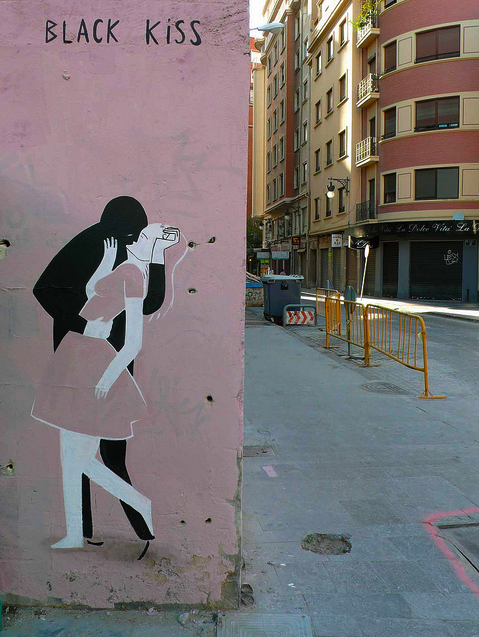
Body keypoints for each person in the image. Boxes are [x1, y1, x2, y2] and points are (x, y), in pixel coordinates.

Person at [32, 223, 180, 555]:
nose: (137, 238)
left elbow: (134, 341)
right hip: (77, 353)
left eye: (148, 236)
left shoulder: (135, 277)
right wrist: (105, 263)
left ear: (150, 245)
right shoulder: (126, 267)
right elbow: (91, 296)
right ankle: (76, 532)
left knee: (77, 456)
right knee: (72, 456)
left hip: (92, 362)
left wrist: (106, 379)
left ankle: (137, 502)